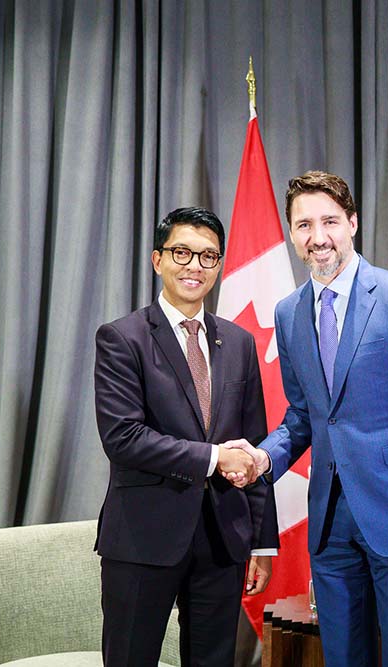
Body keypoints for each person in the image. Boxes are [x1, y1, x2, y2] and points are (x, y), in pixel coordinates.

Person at [224, 171, 388, 667]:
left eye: (329, 221)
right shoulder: (288, 313)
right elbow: (305, 417)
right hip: (330, 525)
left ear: (352, 223)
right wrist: (262, 457)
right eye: (304, 225)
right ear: (292, 234)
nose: (318, 237)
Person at [93, 206, 278, 666]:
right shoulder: (122, 338)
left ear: (218, 265)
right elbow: (124, 437)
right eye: (182, 252)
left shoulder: (238, 343)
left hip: (223, 540)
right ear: (158, 260)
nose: (195, 266)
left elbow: (253, 445)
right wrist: (214, 458)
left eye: (208, 256)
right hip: (143, 537)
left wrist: (260, 541)